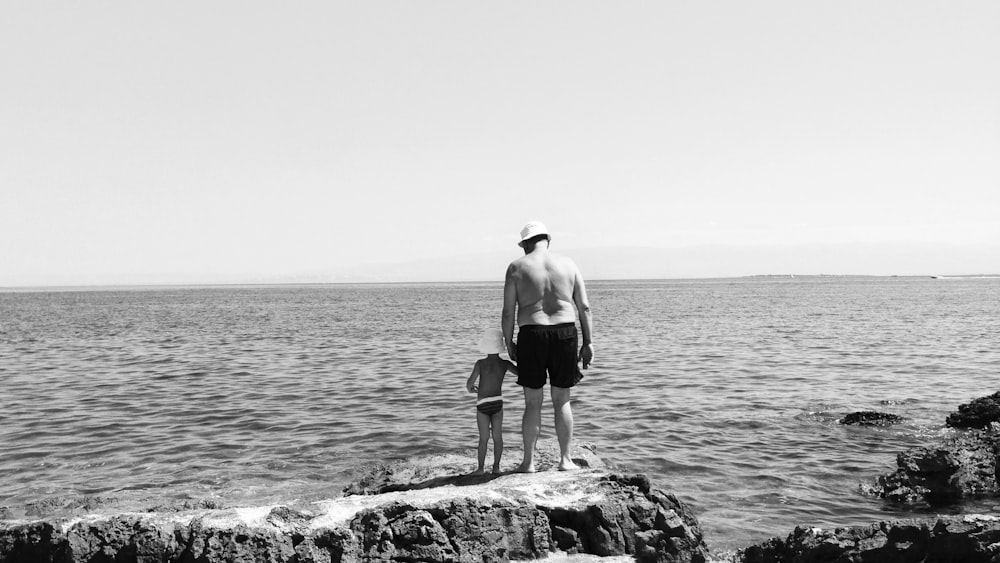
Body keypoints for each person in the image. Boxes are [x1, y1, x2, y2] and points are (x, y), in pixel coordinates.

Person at [502, 221, 593, 472]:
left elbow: (509, 312)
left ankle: (528, 463)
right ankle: (565, 460)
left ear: (527, 244)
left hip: (532, 334)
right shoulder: (569, 264)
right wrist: (588, 342)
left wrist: (508, 342)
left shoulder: (516, 267)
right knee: (562, 399)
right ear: (547, 240)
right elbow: (584, 307)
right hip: (565, 333)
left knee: (532, 402)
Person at [466, 327, 519, 475]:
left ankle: (480, 469)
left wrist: (472, 389)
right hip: (497, 402)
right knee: (498, 436)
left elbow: (469, 384)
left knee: (483, 438)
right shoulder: (505, 364)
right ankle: (496, 468)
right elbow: (520, 373)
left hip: (482, 403)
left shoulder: (480, 363)